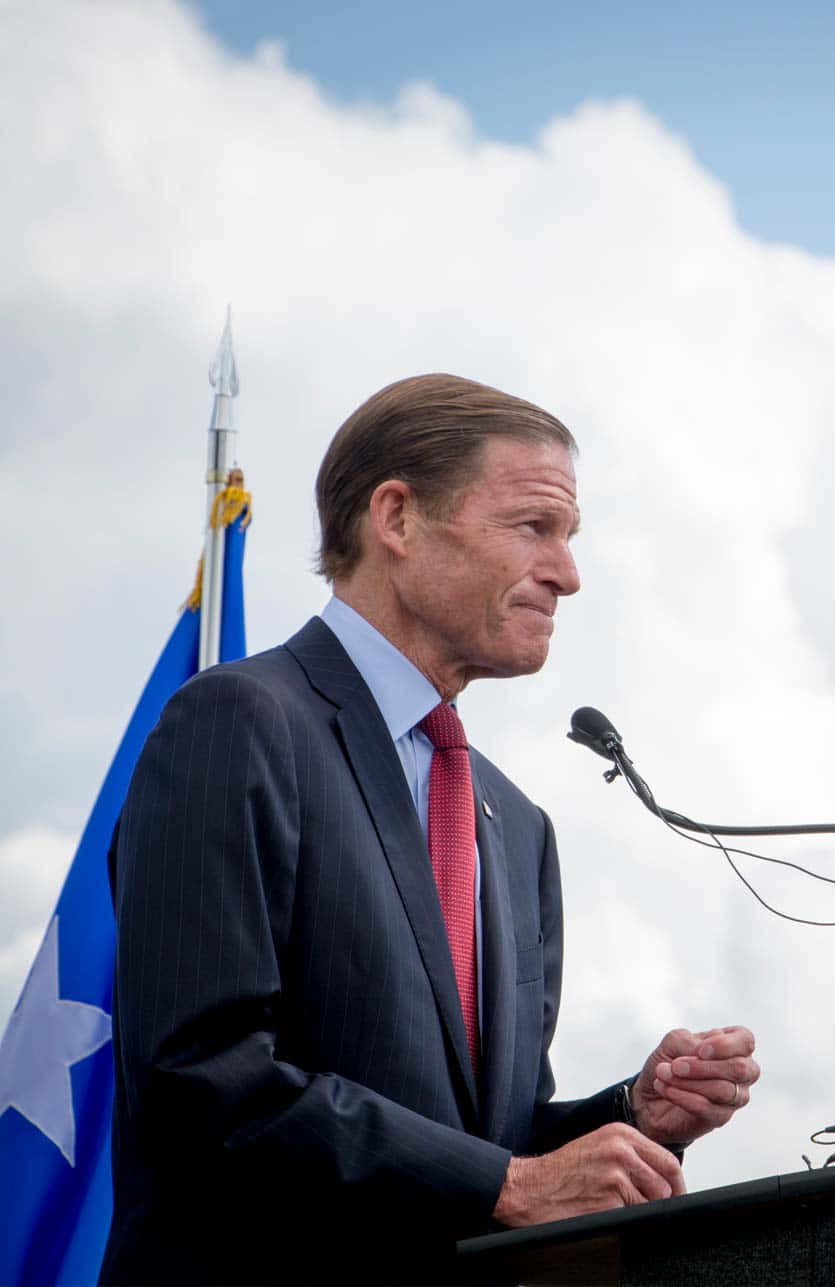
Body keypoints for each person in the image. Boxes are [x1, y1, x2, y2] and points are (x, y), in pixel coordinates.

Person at [100, 374, 759, 1286]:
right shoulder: (239, 723)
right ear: (398, 519)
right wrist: (512, 1178)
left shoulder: (516, 825)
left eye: (569, 537)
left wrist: (632, 1116)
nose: (568, 573)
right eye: (534, 527)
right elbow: (200, 1080)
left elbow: (497, 1147)